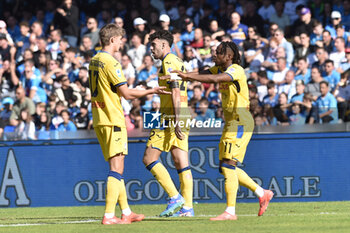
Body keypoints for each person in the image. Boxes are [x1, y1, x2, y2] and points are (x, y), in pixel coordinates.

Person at [171, 41, 273, 220]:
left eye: (218, 53)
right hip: (231, 122)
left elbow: (215, 79)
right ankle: (262, 192)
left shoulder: (236, 70)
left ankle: (230, 212)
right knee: (224, 167)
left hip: (241, 120)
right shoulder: (218, 69)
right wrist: (183, 76)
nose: (214, 55)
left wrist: (188, 77)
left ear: (229, 56)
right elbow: (202, 73)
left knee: (228, 165)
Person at [89, 23, 170, 225]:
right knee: (117, 167)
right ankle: (109, 215)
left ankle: (126, 212)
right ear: (112, 40)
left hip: (99, 118)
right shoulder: (111, 62)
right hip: (113, 118)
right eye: (120, 39)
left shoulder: (94, 60)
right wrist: (152, 91)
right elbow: (125, 93)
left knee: (116, 166)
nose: (122, 42)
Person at [142, 30, 194, 217]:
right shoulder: (177, 61)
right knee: (181, 162)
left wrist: (177, 119)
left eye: (153, 45)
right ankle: (187, 208)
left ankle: (175, 197)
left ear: (164, 45)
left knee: (149, 158)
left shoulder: (168, 61)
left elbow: (175, 92)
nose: (151, 49)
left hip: (171, 116)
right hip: (181, 113)